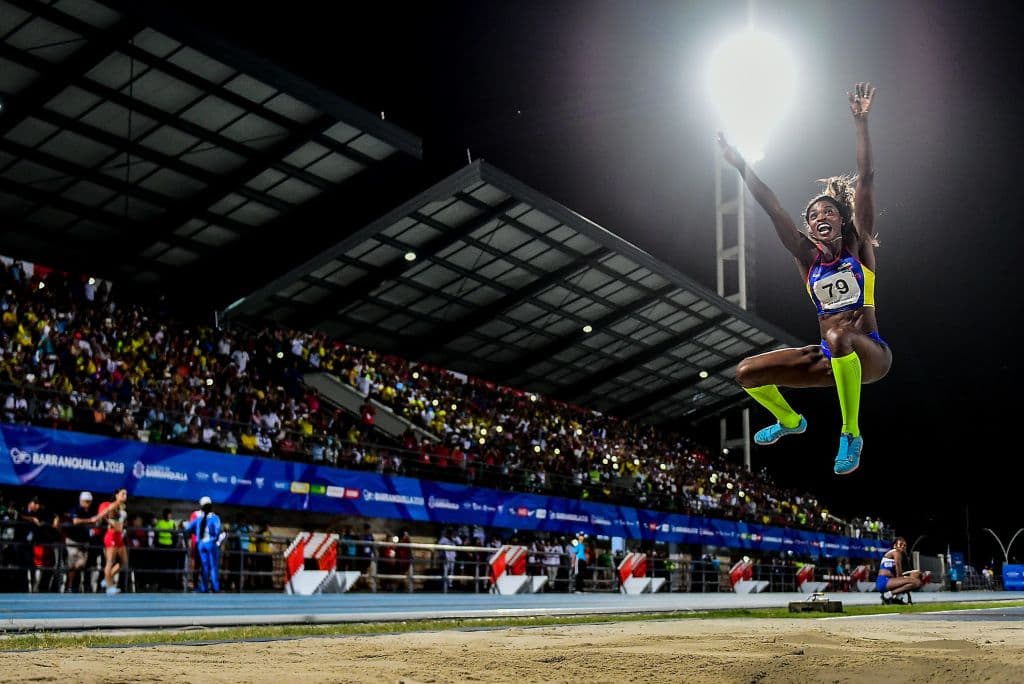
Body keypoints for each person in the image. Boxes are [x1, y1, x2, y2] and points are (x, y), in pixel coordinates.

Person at [717, 82, 890, 475]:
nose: (820, 217)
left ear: (841, 220)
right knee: (746, 373)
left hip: (871, 355)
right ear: (809, 228)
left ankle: (851, 434)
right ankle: (791, 422)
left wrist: (861, 123)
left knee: (838, 335)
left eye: (828, 212)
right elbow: (772, 205)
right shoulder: (805, 257)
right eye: (813, 216)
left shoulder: (858, 246)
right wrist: (741, 164)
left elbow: (866, 178)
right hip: (831, 360)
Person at [181, 496, 224, 593]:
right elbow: (217, 532)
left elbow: (187, 529)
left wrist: (188, 544)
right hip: (211, 544)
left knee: (204, 567)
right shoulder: (214, 518)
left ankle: (204, 588)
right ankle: (215, 587)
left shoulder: (199, 518)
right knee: (213, 567)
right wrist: (216, 542)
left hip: (200, 545)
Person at [95, 488, 128, 595]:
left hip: (119, 536)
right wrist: (104, 520)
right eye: (122, 493)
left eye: (126, 494)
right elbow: (102, 515)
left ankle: (106, 578)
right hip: (112, 536)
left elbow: (121, 521)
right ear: (116, 495)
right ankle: (109, 587)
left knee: (124, 563)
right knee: (110, 562)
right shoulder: (113, 505)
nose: (125, 495)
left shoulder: (122, 506)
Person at [876, 536, 923, 604]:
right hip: (884, 581)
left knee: (917, 574)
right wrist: (909, 581)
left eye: (904, 545)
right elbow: (899, 574)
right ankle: (888, 596)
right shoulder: (896, 552)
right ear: (895, 546)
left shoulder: (901, 556)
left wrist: (909, 598)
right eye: (900, 544)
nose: (903, 547)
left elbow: (901, 576)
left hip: (891, 581)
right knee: (916, 582)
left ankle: (897, 598)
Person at [65, 491, 95, 592]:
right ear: (81, 501)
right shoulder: (76, 509)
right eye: (86, 501)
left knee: (81, 564)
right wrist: (90, 520)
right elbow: (75, 521)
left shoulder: (90, 511)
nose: (88, 503)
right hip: (73, 540)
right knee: (72, 564)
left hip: (84, 541)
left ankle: (75, 583)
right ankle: (69, 586)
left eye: (89, 501)